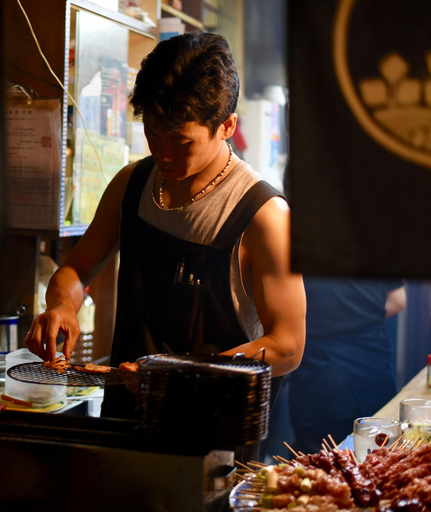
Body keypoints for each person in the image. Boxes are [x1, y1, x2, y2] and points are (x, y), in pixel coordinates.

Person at [24, 31, 306, 419]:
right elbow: (75, 269)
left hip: (214, 430)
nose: (163, 153)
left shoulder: (264, 215)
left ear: (226, 126)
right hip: (126, 416)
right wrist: (61, 306)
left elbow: (288, 346)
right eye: (153, 134)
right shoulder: (133, 183)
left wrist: (182, 374)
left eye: (181, 140)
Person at [265, 277, 406, 457]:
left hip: (321, 375)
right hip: (373, 365)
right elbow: (398, 301)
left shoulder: (299, 249)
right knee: (379, 459)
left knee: (320, 467)